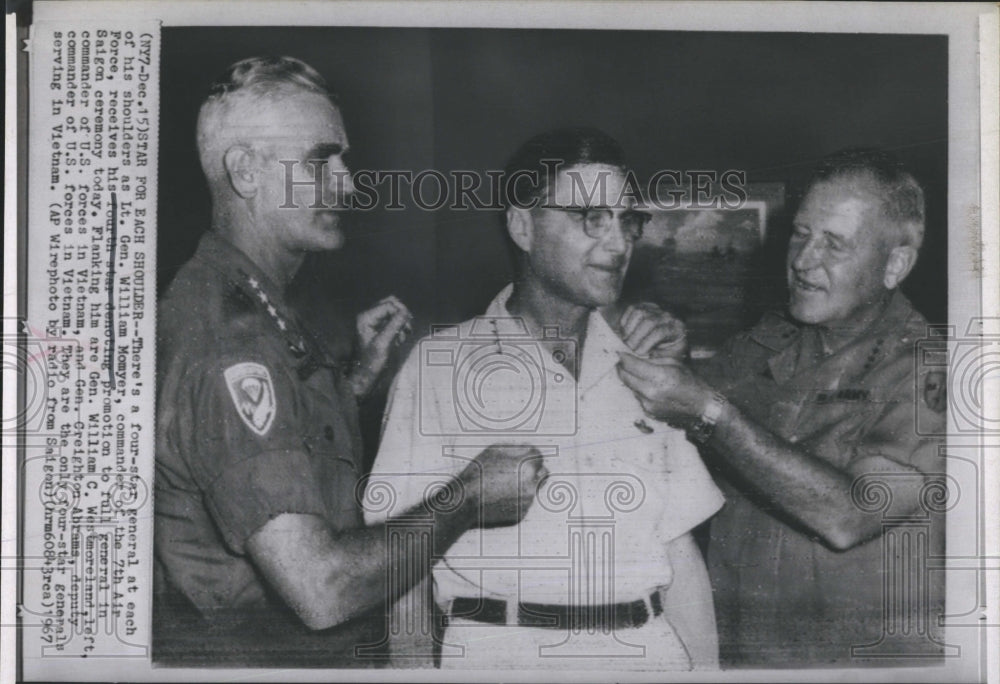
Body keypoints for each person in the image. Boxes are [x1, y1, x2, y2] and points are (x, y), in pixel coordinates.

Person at [153, 56, 547, 666]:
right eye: (320, 160)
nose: (349, 183)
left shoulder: (250, 304)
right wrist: (468, 497)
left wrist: (355, 380)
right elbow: (321, 588)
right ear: (247, 171)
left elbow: (261, 444)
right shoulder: (231, 340)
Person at [365, 128, 724, 671]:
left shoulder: (647, 368)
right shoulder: (439, 367)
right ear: (523, 226)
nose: (620, 242)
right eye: (590, 218)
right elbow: (400, 567)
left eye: (628, 220)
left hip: (648, 652)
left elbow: (679, 553)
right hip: (504, 654)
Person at [616, 148, 947, 667]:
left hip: (855, 666)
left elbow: (851, 513)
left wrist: (709, 411)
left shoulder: (928, 371)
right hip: (742, 655)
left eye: (834, 244)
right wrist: (672, 354)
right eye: (801, 233)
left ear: (895, 264)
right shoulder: (771, 339)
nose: (803, 260)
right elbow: (690, 419)